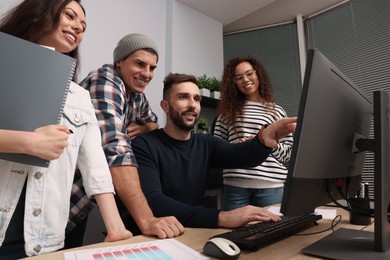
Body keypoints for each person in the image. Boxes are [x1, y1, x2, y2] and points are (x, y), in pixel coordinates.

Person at [0, 0, 132, 258]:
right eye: (70, 16)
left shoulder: (80, 96)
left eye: (83, 26)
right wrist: (27, 143)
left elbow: (96, 166)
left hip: (44, 241)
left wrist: (116, 227)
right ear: (40, 11)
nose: (78, 28)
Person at [128, 72, 296, 232]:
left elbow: (240, 155)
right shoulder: (144, 145)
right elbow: (154, 201)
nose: (192, 105)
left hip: (191, 231)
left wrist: (264, 137)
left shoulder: (205, 142)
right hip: (153, 236)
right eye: (183, 97)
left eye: (196, 99)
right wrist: (222, 217)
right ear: (165, 106)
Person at [75, 33, 184, 238]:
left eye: (152, 68)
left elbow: (153, 123)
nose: (147, 73)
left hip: (85, 194)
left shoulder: (136, 96)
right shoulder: (105, 82)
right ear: (120, 63)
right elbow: (116, 149)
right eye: (140, 64)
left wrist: (144, 129)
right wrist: (147, 220)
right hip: (63, 189)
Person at [213, 57, 294, 210]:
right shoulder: (226, 113)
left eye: (249, 73)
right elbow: (215, 151)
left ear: (258, 75)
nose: (245, 80)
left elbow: (289, 154)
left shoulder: (276, 111)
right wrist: (236, 147)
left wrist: (267, 144)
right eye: (239, 77)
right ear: (234, 83)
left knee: (274, 232)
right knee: (232, 233)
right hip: (235, 186)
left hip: (271, 187)